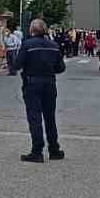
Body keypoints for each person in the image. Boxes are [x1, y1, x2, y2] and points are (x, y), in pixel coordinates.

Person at [15, 17, 67, 163]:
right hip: (50, 83)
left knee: (35, 117)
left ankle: (37, 151)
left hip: (32, 83)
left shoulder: (27, 45)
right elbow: (61, 68)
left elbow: (18, 64)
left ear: (32, 30)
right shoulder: (54, 45)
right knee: (50, 117)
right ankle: (54, 149)